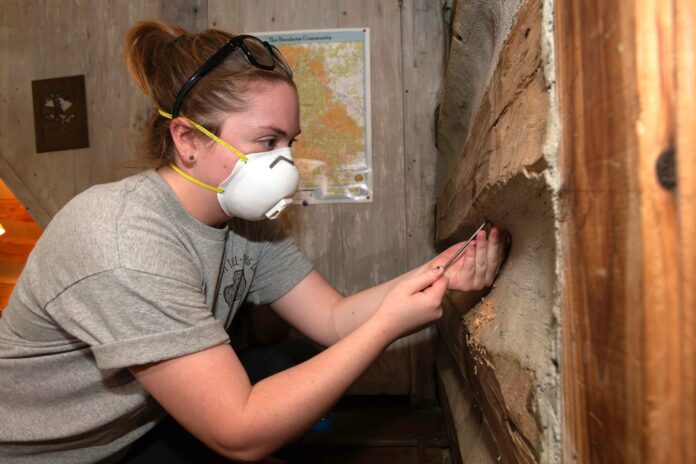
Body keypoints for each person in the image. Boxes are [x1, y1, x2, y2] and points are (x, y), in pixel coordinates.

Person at [0, 20, 506, 463]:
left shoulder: (246, 219)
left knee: (283, 362)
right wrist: (385, 328)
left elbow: (333, 319)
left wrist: (440, 271)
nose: (284, 163)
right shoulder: (123, 241)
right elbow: (239, 431)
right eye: (267, 142)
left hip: (128, 432)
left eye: (291, 142)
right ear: (189, 140)